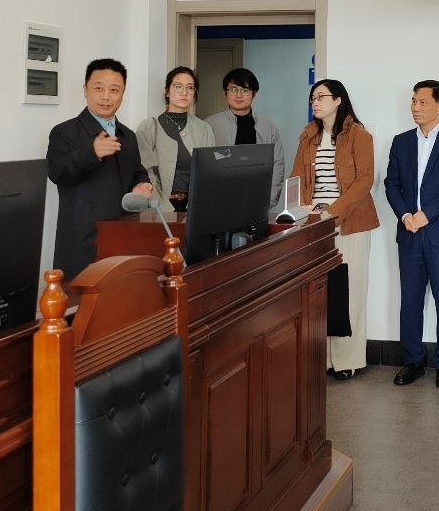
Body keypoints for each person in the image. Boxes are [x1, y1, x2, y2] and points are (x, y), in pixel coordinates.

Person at [384, 80, 439, 389]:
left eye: (422, 102)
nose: (416, 107)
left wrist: (426, 215)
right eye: (413, 101)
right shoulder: (401, 141)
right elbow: (391, 183)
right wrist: (406, 215)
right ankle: (413, 361)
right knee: (410, 300)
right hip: (409, 232)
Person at [291, 79, 378, 379]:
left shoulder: (359, 135)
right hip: (314, 223)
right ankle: (323, 358)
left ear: (338, 100)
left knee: (349, 292)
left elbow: (364, 182)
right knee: (319, 292)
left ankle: (347, 361)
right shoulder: (308, 136)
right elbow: (296, 178)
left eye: (321, 97)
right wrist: (302, 207)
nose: (315, 102)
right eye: (312, 98)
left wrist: (332, 211)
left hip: (350, 222)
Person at [46, 58, 152, 278]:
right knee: (80, 298)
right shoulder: (64, 132)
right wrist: (91, 153)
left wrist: (142, 184)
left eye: (114, 90)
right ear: (85, 90)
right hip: (82, 241)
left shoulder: (128, 135)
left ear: (122, 94)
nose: (106, 96)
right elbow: (57, 173)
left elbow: (137, 171)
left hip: (124, 236)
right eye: (99, 88)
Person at [206, 68, 286, 214]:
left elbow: (277, 164)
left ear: (254, 93)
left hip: (257, 200)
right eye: (233, 89)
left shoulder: (268, 127)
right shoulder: (210, 125)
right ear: (225, 92)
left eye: (245, 90)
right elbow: (205, 163)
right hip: (219, 201)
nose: (239, 95)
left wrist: (269, 200)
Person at [137, 66, 216, 211]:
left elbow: (209, 172)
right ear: (167, 91)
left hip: (196, 207)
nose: (184, 92)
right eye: (178, 87)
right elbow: (146, 175)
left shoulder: (204, 129)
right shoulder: (148, 128)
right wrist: (164, 209)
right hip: (160, 208)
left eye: (190, 88)